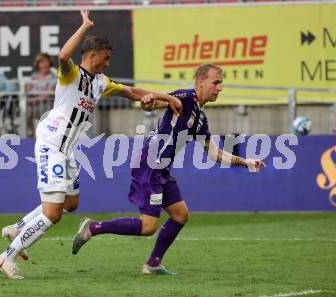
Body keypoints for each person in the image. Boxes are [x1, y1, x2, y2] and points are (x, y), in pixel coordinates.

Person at [0, 9, 182, 279]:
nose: (107, 62)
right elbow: (62, 56)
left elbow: (134, 93)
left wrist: (167, 100)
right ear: (92, 55)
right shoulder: (71, 75)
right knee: (53, 214)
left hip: (68, 150)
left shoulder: (101, 82)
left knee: (71, 203)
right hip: (51, 145)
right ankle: (6, 258)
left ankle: (18, 226)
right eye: (105, 58)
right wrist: (84, 26)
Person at [72, 64, 266, 275]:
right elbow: (151, 103)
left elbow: (215, 154)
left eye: (221, 84)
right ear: (200, 82)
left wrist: (246, 162)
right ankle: (92, 228)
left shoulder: (200, 119)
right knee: (148, 227)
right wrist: (146, 102)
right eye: (216, 82)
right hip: (150, 164)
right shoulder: (185, 97)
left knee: (180, 215)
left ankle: (153, 263)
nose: (219, 88)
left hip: (161, 170)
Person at [26, 53, 57, 137]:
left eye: (46, 62)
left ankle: (46, 136)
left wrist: (34, 99)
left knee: (45, 110)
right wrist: (30, 99)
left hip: (48, 105)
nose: (44, 65)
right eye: (41, 62)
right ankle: (30, 134)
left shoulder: (54, 77)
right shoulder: (33, 76)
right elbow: (28, 91)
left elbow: (48, 94)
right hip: (33, 105)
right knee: (27, 111)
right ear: (38, 64)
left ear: (50, 64)